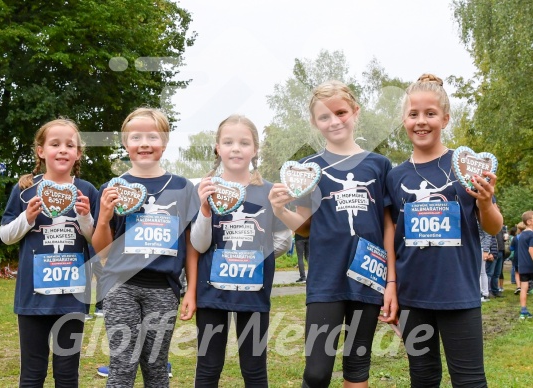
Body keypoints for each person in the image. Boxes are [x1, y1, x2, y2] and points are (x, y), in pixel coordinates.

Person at [269, 80, 397, 388]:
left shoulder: (379, 166)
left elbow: (388, 226)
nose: (334, 121)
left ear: (355, 112)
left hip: (368, 275)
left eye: (341, 112)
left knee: (357, 366)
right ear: (315, 122)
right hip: (326, 278)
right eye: (324, 116)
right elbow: (304, 224)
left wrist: (391, 281)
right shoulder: (307, 168)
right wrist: (279, 211)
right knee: (316, 372)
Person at [386, 74, 503, 387]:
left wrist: (486, 203)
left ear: (445, 119)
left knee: (469, 380)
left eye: (430, 114)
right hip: (413, 295)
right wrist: (392, 287)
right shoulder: (395, 176)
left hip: (458, 293)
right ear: (404, 120)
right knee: (423, 378)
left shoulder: (467, 167)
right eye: (413, 115)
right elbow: (392, 237)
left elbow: (493, 226)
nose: (421, 122)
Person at [92, 107, 198, 387]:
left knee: (156, 369)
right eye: (136, 137)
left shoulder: (183, 188)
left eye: (152, 136)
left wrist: (191, 291)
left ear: (164, 141)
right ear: (125, 143)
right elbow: (101, 250)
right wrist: (103, 218)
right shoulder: (113, 187)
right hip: (120, 287)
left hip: (164, 289)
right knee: (122, 368)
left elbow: (190, 243)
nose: (144, 144)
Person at [190, 114, 292, 387]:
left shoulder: (269, 191)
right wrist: (204, 209)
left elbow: (284, 240)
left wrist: (255, 257)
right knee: (208, 366)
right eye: (228, 142)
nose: (236, 148)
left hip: (254, 291)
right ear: (217, 147)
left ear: (255, 149)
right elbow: (199, 244)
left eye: (244, 143)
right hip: (212, 292)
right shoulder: (205, 189)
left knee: (254, 366)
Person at [0, 118, 98, 386]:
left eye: (70, 145)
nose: (63, 149)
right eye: (55, 144)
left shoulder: (87, 190)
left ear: (78, 153)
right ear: (41, 151)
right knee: (32, 373)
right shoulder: (23, 191)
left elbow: (98, 240)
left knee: (67, 373)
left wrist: (86, 217)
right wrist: (27, 219)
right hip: (32, 298)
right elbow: (6, 236)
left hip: (73, 297)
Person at [517, 211, 533, 319]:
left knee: (524, 288)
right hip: (531, 265)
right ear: (529, 221)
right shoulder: (532, 234)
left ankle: (523, 311)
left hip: (522, 266)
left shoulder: (521, 235)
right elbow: (531, 250)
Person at [478, 222, 496, 302]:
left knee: (481, 272)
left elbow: (488, 235)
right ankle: (484, 293)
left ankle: (483, 293)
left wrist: (485, 250)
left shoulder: (481, 219)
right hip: (478, 247)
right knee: (481, 272)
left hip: (481, 247)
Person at [486, 224, 506, 297]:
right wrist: (489, 252)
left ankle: (495, 290)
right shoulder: (489, 226)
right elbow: (487, 240)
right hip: (493, 252)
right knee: (489, 273)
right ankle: (488, 291)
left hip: (500, 251)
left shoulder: (500, 227)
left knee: (497, 273)